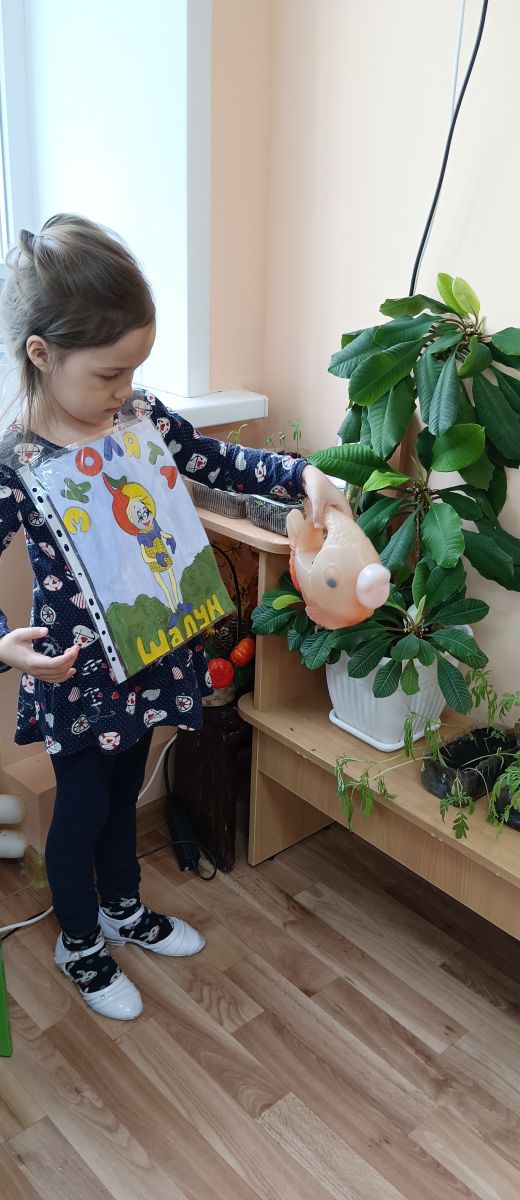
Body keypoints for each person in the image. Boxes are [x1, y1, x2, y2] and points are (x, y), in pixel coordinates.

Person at [0, 214, 351, 1021]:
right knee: (80, 812)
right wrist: (6, 644)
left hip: (150, 652)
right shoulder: (17, 462)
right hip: (76, 675)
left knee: (126, 791)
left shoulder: (141, 418)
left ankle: (122, 908)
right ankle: (78, 941)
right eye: (109, 372)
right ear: (42, 354)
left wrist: (302, 476)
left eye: (134, 369)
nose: (124, 388)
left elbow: (219, 461)